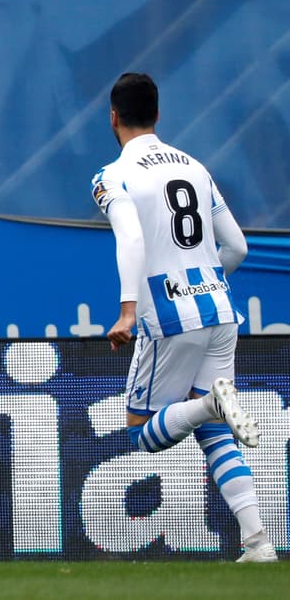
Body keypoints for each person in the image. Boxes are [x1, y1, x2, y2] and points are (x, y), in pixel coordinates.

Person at [93, 72, 276, 564]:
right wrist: (208, 281)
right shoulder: (194, 166)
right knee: (215, 433)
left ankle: (212, 404)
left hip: (169, 314)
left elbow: (131, 238)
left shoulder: (112, 176)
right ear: (158, 114)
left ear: (113, 117)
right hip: (220, 309)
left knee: (141, 431)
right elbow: (237, 246)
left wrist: (128, 309)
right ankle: (258, 542)